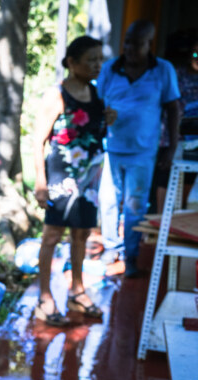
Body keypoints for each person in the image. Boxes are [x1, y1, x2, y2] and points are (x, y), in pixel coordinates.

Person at [32, 36, 116, 326]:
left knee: (81, 234)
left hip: (90, 177)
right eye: (91, 59)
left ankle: (76, 291)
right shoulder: (56, 95)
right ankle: (44, 297)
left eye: (99, 59)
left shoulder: (96, 95)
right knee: (52, 235)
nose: (98, 65)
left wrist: (109, 120)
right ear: (71, 62)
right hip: (60, 175)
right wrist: (40, 183)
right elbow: (37, 141)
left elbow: (92, 134)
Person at [96, 20, 181, 278]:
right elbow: (96, 102)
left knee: (135, 205)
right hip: (112, 148)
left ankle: (131, 255)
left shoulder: (162, 70)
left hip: (144, 151)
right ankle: (111, 247)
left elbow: (173, 109)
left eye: (137, 43)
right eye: (128, 42)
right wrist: (102, 120)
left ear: (149, 44)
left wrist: (171, 147)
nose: (131, 48)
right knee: (108, 201)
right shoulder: (111, 69)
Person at [151, 33, 198, 213]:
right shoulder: (176, 74)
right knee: (165, 176)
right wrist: (172, 144)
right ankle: (160, 221)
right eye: (195, 53)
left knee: (188, 178)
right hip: (172, 136)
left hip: (195, 142)